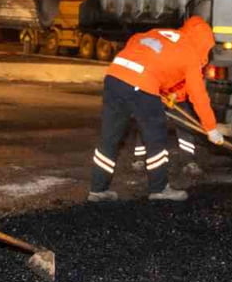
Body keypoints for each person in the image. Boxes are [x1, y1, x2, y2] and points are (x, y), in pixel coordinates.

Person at [88, 16, 222, 203]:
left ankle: (98, 189)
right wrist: (211, 128)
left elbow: (137, 42)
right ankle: (159, 189)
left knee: (109, 137)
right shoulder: (190, 53)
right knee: (155, 137)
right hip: (141, 85)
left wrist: (163, 90)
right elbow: (198, 95)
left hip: (114, 77)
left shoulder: (160, 33)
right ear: (203, 41)